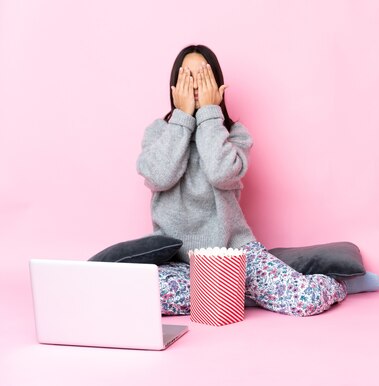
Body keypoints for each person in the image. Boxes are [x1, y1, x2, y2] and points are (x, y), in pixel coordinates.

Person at [137, 45, 347, 317]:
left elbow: (220, 173)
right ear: (174, 87)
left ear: (218, 85)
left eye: (203, 76)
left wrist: (209, 114)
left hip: (235, 255)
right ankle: (234, 293)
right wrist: (182, 119)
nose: (196, 85)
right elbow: (160, 176)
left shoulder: (235, 134)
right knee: (145, 296)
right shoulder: (158, 132)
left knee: (304, 299)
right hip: (179, 263)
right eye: (187, 77)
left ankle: (339, 285)